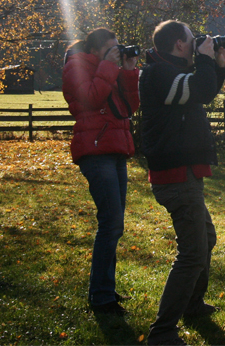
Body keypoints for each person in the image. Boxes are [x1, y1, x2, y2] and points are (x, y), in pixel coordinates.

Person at [139, 20, 225, 346]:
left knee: (206, 237)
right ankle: (162, 332)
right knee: (192, 253)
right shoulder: (157, 74)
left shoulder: (169, 72)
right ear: (179, 44)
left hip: (185, 172)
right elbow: (198, 90)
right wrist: (205, 61)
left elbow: (200, 92)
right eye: (193, 41)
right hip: (175, 176)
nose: (196, 44)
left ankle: (191, 303)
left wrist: (216, 66)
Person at [62, 27, 140, 315]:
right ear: (95, 51)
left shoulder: (108, 69)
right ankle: (101, 295)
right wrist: (109, 65)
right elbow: (91, 99)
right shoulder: (77, 67)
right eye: (111, 48)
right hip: (95, 152)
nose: (117, 52)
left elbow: (130, 107)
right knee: (111, 223)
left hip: (116, 149)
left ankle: (105, 289)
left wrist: (129, 71)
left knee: (114, 224)